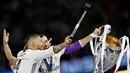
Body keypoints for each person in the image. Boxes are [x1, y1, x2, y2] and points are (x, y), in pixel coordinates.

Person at [3, 29, 72, 73]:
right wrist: (65, 43)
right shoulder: (36, 54)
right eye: (41, 41)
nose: (43, 43)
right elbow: (55, 49)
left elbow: (11, 58)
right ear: (33, 44)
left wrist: (5, 44)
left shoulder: (21, 53)